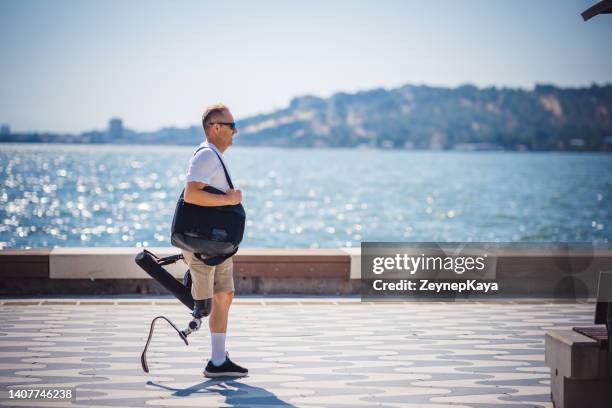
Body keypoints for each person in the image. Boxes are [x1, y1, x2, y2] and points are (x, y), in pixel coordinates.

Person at [181, 103, 247, 377]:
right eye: (231, 126)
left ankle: (218, 360)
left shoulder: (215, 156)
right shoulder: (206, 156)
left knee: (225, 295)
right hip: (204, 244)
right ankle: (195, 299)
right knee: (206, 303)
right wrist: (229, 199)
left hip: (216, 245)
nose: (236, 131)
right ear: (215, 127)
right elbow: (191, 195)